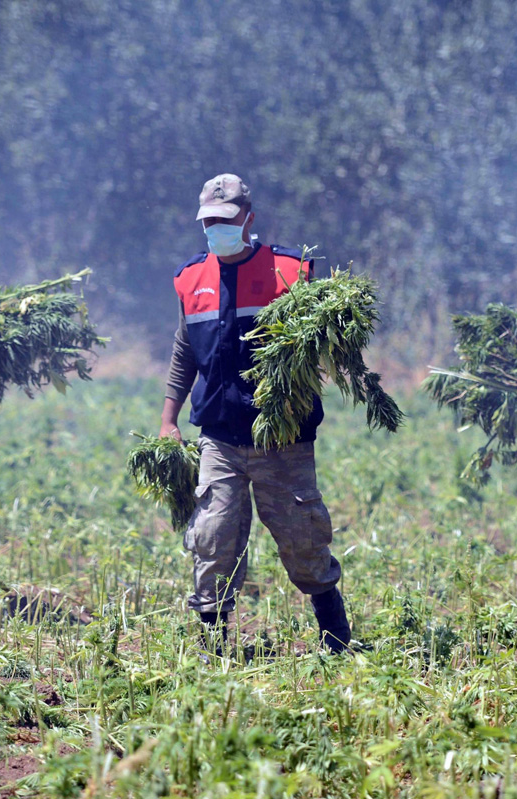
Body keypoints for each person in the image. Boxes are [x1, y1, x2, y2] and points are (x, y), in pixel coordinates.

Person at [159, 173, 351, 654]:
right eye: (209, 222)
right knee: (212, 536)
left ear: (249, 218)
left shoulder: (293, 272)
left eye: (226, 220)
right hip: (220, 437)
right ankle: (212, 648)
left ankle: (336, 639)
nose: (216, 229)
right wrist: (168, 419)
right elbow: (185, 353)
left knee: (304, 540)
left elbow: (325, 343)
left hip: (283, 438)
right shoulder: (190, 278)